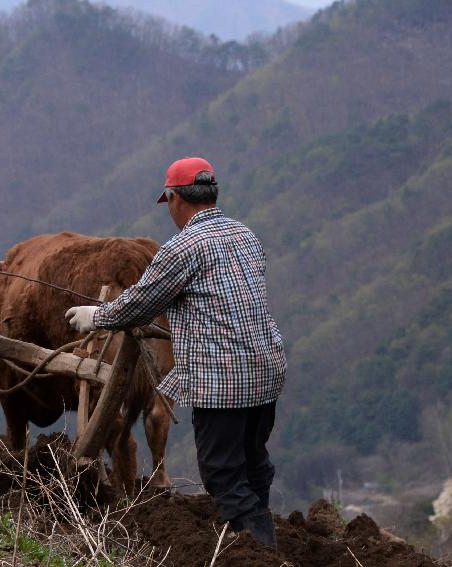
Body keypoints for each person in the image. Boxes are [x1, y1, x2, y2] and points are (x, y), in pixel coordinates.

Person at [65, 157, 286, 548]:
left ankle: (258, 548)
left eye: (167, 202)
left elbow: (140, 303)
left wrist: (97, 316)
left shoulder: (183, 248)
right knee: (254, 463)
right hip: (266, 368)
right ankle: (257, 535)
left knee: (221, 471)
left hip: (224, 378)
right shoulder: (244, 235)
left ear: (174, 198)